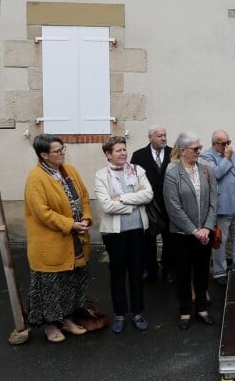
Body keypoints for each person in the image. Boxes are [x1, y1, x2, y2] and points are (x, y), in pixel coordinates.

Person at [24, 134, 93, 343]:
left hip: (76, 240)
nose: (63, 153)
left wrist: (87, 219)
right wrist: (70, 224)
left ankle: (68, 319)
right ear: (44, 155)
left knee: (71, 283)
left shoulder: (70, 171)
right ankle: (51, 325)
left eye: (63, 149)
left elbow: (84, 197)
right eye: (58, 151)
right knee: (51, 287)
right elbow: (42, 213)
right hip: (51, 243)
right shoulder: (36, 178)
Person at [94, 136, 154, 333]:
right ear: (108, 154)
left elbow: (149, 194)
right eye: (118, 150)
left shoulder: (137, 170)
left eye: (124, 149)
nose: (123, 153)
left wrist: (123, 198)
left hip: (137, 229)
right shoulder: (101, 175)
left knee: (137, 272)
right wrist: (133, 205)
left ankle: (137, 312)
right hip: (115, 233)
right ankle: (119, 314)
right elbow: (107, 205)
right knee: (117, 273)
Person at [163, 132, 217, 328]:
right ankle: (185, 311)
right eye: (195, 149)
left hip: (205, 233)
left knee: (202, 272)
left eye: (199, 148)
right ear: (183, 151)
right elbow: (173, 207)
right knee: (183, 274)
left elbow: (214, 202)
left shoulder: (207, 170)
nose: (199, 151)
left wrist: (207, 228)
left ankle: (202, 309)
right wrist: (194, 230)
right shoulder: (172, 172)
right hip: (182, 235)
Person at [200, 129, 235, 287]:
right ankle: (219, 272)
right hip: (221, 207)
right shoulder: (206, 157)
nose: (227, 146)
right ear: (214, 144)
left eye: (229, 142)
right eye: (223, 144)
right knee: (219, 242)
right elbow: (216, 175)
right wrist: (227, 158)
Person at [130, 125, 175, 284]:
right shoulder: (139, 155)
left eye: (164, 135)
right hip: (148, 204)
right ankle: (149, 268)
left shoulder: (173, 153)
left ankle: (169, 269)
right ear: (150, 138)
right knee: (148, 239)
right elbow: (132, 178)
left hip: (169, 204)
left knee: (170, 239)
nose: (163, 138)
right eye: (159, 135)